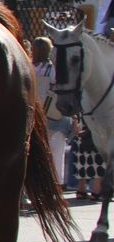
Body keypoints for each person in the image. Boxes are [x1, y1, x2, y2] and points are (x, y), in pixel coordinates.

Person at [31, 36, 70, 188]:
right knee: (57, 153)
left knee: (37, 153)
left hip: (35, 113)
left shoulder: (29, 66)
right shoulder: (53, 69)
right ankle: (56, 184)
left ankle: (38, 184)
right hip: (53, 114)